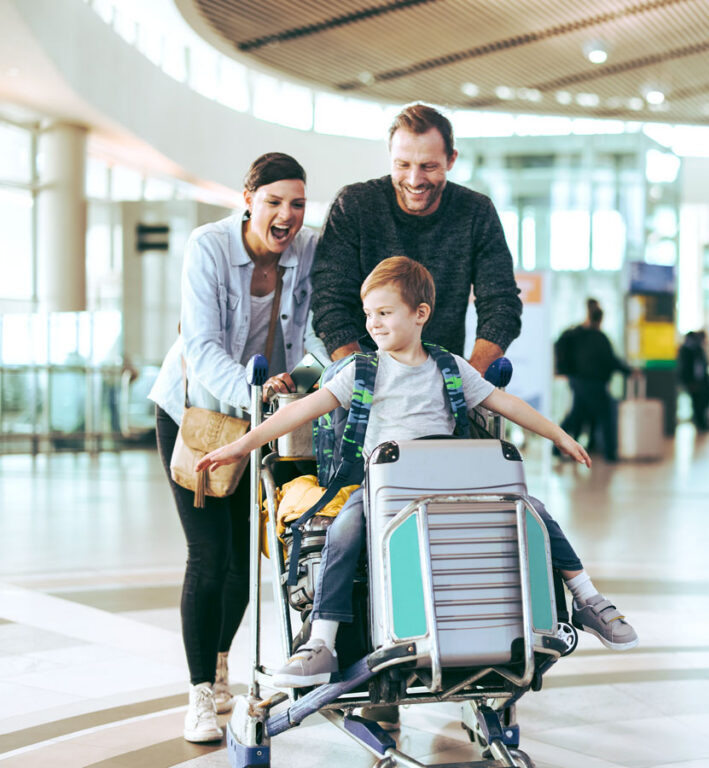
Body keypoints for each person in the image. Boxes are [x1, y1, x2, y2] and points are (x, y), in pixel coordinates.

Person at [197, 257, 639, 728]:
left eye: (385, 313)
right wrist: (243, 444)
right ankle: (321, 640)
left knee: (533, 510)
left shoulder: (449, 368)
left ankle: (588, 599)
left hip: (448, 483)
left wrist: (558, 434)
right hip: (386, 484)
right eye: (370, 314)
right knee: (344, 528)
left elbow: (502, 401)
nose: (373, 323)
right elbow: (303, 409)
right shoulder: (360, 371)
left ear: (420, 314)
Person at [148, 153, 323, 743]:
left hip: (258, 423)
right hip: (194, 413)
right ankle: (199, 692)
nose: (287, 215)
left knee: (245, 563)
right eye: (274, 201)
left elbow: (317, 329)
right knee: (209, 554)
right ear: (248, 197)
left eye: (296, 204)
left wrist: (300, 384)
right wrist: (253, 393)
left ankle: (222, 666)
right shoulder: (210, 246)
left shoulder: (308, 249)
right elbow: (198, 345)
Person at [310, 103, 522, 375]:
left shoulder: (476, 212)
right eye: (403, 165)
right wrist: (363, 378)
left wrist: (469, 380)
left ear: (451, 160)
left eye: (428, 166)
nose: (414, 179)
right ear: (390, 157)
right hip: (361, 380)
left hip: (444, 382)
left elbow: (501, 303)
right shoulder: (354, 205)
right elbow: (330, 302)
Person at [554, 298, 629, 461]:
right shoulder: (598, 338)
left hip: (577, 382)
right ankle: (610, 454)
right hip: (594, 384)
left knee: (576, 415)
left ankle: (556, 446)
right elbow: (611, 361)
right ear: (600, 319)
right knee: (606, 416)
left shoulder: (575, 334)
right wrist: (629, 371)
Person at [677, 330, 709, 432]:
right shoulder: (686, 349)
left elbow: (703, 366)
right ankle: (700, 423)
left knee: (707, 397)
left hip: (702, 381)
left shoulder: (698, 349)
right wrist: (688, 382)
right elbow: (683, 368)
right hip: (692, 382)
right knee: (697, 403)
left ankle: (702, 422)